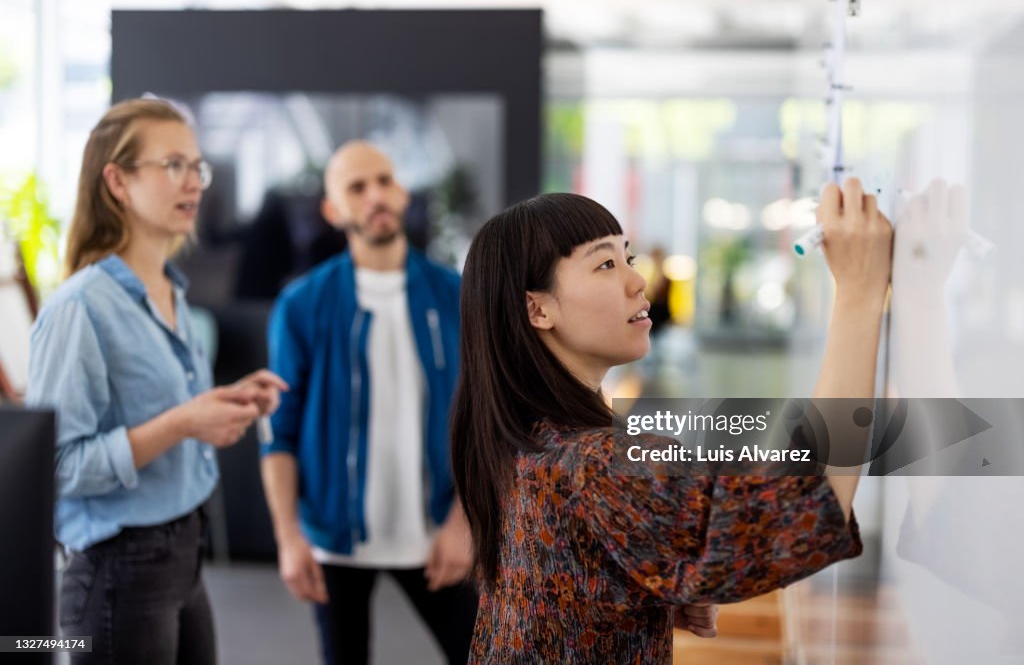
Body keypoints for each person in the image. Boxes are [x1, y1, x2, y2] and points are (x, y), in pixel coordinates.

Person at [450, 181, 893, 663]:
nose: (638, 282)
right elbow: (815, 495)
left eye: (628, 258)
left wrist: (643, 577)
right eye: (604, 264)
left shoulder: (523, 435)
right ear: (538, 308)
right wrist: (859, 294)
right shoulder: (599, 465)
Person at [26, 98, 287, 664]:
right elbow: (54, 467)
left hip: (183, 551)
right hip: (120, 566)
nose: (193, 182)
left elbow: (167, 416)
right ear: (117, 180)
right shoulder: (80, 307)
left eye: (198, 167)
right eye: (173, 165)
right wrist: (182, 423)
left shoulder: (171, 291)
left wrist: (220, 405)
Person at [261, 141, 478, 665]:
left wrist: (464, 522)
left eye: (384, 180)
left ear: (402, 192)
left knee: (484, 655)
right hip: (335, 538)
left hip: (436, 532)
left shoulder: (456, 294)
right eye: (357, 187)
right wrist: (289, 539)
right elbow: (279, 431)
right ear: (333, 211)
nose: (375, 195)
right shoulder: (302, 305)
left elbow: (484, 423)